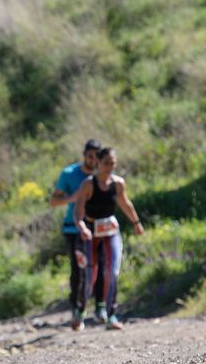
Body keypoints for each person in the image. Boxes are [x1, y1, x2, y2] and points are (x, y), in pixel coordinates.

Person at [74, 147, 144, 329]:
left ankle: (111, 314)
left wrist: (136, 222)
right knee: (91, 274)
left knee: (112, 272)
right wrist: (82, 227)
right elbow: (78, 211)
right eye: (106, 163)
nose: (110, 167)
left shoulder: (118, 183)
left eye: (112, 163)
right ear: (98, 163)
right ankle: (80, 311)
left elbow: (125, 203)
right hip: (91, 230)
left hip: (110, 231)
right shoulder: (89, 184)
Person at [49, 139, 102, 330]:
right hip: (73, 228)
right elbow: (54, 201)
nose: (92, 160)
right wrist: (75, 197)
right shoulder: (69, 174)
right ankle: (77, 309)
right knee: (79, 270)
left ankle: (100, 309)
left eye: (96, 157)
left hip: (99, 228)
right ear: (84, 155)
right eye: (89, 156)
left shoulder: (102, 174)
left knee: (100, 267)